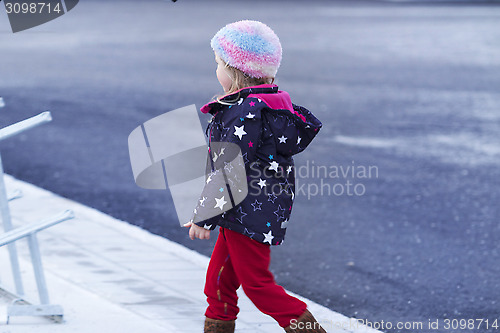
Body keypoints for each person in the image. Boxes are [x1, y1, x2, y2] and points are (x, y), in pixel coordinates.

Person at [183, 20, 325, 333]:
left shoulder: (241, 112)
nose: (216, 69)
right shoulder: (268, 104)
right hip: (254, 207)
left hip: (246, 210)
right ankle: (218, 325)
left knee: (258, 286)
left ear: (234, 70)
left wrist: (203, 217)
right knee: (218, 281)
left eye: (218, 63)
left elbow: (229, 171)